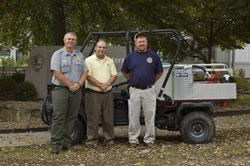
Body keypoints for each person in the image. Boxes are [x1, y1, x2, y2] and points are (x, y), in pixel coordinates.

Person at [121, 32, 163, 148]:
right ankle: (133, 140)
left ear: (146, 42)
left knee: (150, 116)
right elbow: (124, 71)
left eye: (143, 41)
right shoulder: (130, 57)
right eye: (139, 41)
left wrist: (151, 80)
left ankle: (149, 139)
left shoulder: (154, 56)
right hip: (134, 90)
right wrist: (133, 80)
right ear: (135, 43)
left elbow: (160, 72)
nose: (141, 43)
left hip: (149, 90)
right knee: (133, 116)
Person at [50, 32, 88, 154]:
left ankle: (66, 143)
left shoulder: (79, 55)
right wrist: (70, 85)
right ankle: (55, 144)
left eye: (73, 39)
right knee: (59, 117)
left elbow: (85, 72)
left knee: (72, 118)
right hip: (61, 90)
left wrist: (78, 84)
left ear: (75, 42)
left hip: (76, 91)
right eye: (69, 39)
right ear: (64, 40)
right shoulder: (58, 54)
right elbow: (56, 73)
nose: (71, 41)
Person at [85, 40, 117, 148]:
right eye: (99, 47)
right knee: (92, 118)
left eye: (104, 47)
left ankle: (109, 139)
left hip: (107, 93)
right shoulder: (89, 60)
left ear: (106, 49)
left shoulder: (110, 61)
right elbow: (88, 76)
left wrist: (107, 84)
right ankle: (91, 140)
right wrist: (100, 85)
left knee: (108, 118)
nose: (101, 49)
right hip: (93, 93)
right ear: (95, 48)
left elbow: (114, 75)